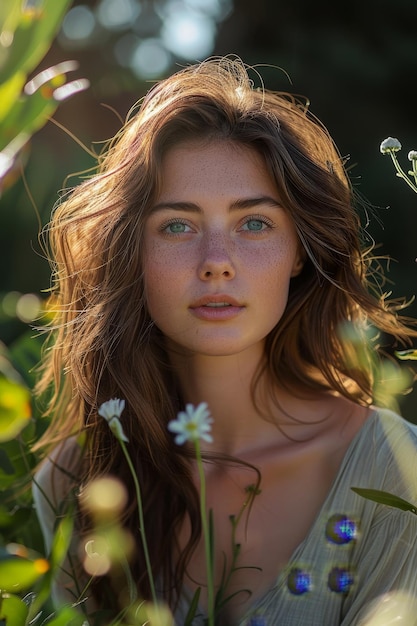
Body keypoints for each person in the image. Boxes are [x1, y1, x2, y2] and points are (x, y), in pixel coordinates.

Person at [32, 56, 417, 626]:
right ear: (130, 253)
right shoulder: (75, 478)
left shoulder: (397, 470)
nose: (216, 264)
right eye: (177, 226)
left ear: (298, 252)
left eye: (254, 223)